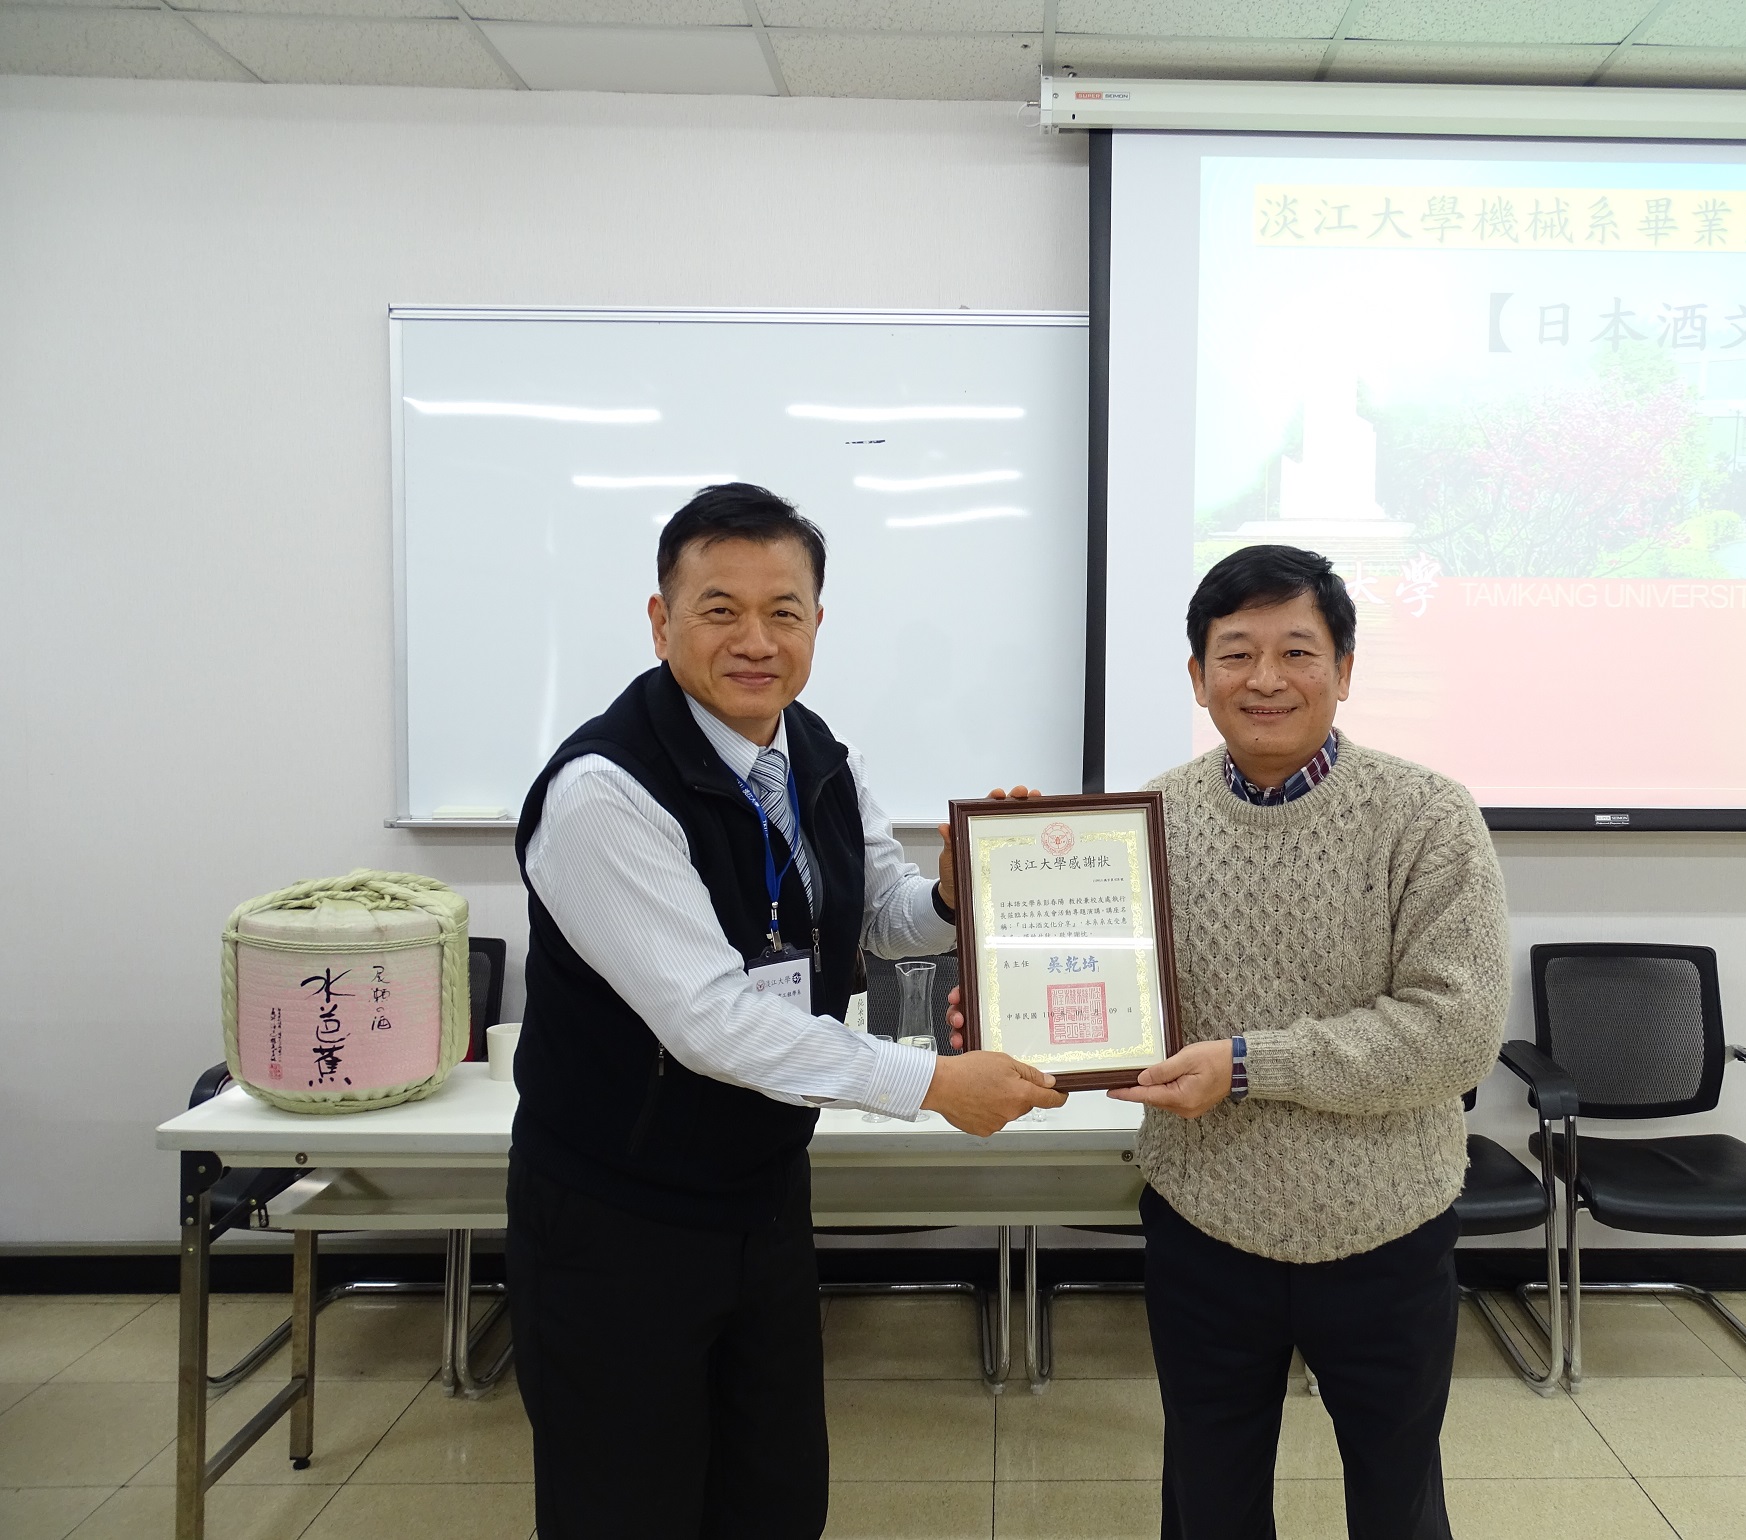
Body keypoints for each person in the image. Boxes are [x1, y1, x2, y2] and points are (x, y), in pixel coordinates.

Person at [505, 483, 1065, 1540]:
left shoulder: (811, 749)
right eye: (720, 609)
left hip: (761, 1193)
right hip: (618, 1217)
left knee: (771, 1495)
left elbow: (875, 913)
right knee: (625, 1507)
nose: (755, 640)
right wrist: (933, 1084)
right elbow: (711, 1019)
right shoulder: (602, 792)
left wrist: (956, 897)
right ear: (661, 620)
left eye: (784, 611)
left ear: (816, 621)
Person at [953, 544, 1509, 1539]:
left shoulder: (1428, 817)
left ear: (1344, 668)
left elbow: (1454, 1032)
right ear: (1197, 674)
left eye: (1297, 650)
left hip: (1385, 1228)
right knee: (1208, 1501)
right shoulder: (1147, 820)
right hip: (1203, 1226)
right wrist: (1006, 1017)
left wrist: (1249, 1066)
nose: (1265, 678)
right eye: (1236, 652)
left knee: (1399, 1502)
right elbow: (1097, 992)